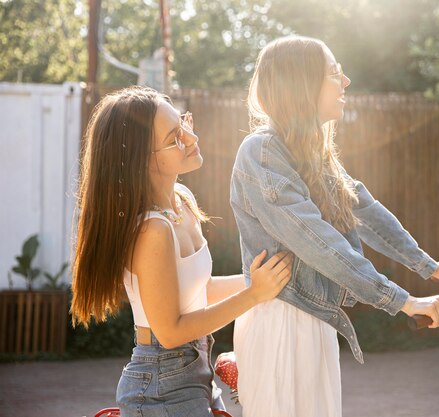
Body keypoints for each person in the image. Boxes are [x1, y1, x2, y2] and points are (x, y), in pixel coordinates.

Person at [229, 36, 439, 417]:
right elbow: (317, 242)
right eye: (334, 73)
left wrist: (429, 267)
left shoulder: (311, 152)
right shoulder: (262, 152)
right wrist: (405, 301)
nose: (346, 81)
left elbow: (362, 209)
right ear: (303, 84)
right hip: (282, 322)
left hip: (316, 318)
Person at [70, 86, 293, 417]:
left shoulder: (182, 199)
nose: (191, 137)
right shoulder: (151, 230)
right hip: (161, 383)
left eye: (184, 123)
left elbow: (200, 291)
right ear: (141, 158)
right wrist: (254, 294)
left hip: (195, 369)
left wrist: (262, 280)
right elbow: (171, 332)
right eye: (175, 137)